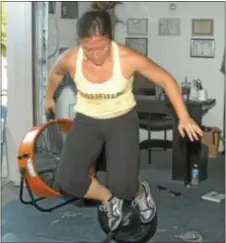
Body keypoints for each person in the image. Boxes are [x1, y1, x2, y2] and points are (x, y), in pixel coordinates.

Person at [45, 10, 203, 231]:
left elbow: (166, 80)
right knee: (68, 178)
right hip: (87, 121)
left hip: (121, 121)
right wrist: (48, 97)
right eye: (89, 49)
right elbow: (55, 73)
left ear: (111, 38)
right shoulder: (71, 58)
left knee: (124, 186)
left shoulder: (128, 58)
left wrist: (184, 116)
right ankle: (109, 201)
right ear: (80, 43)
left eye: (102, 48)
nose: (96, 55)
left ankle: (139, 191)